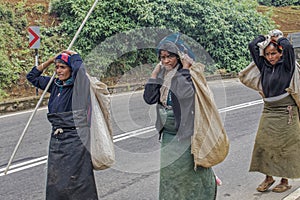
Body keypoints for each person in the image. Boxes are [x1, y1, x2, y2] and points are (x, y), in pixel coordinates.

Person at [143, 39, 217, 199]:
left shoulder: (190, 74)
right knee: (171, 176)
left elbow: (183, 93)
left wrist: (184, 69)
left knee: (190, 174)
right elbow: (149, 98)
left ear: (179, 57)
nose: (165, 61)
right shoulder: (163, 74)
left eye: (169, 57)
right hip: (168, 135)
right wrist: (154, 75)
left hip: (186, 134)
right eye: (162, 57)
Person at [26, 50, 99, 200]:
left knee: (78, 181)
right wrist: (51, 60)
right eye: (57, 68)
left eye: (63, 67)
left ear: (70, 69)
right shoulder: (54, 85)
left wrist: (75, 56)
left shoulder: (79, 87)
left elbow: (80, 70)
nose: (58, 71)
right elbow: (31, 77)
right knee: (57, 182)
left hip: (76, 140)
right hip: (57, 140)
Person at [248, 29, 300, 193]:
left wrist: (279, 39)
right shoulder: (264, 66)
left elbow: (289, 49)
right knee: (263, 143)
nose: (270, 57)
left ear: (280, 53)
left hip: (286, 111)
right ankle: (268, 178)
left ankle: (284, 180)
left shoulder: (287, 66)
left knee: (284, 147)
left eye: (274, 53)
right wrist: (264, 38)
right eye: (268, 54)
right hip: (269, 109)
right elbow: (252, 45)